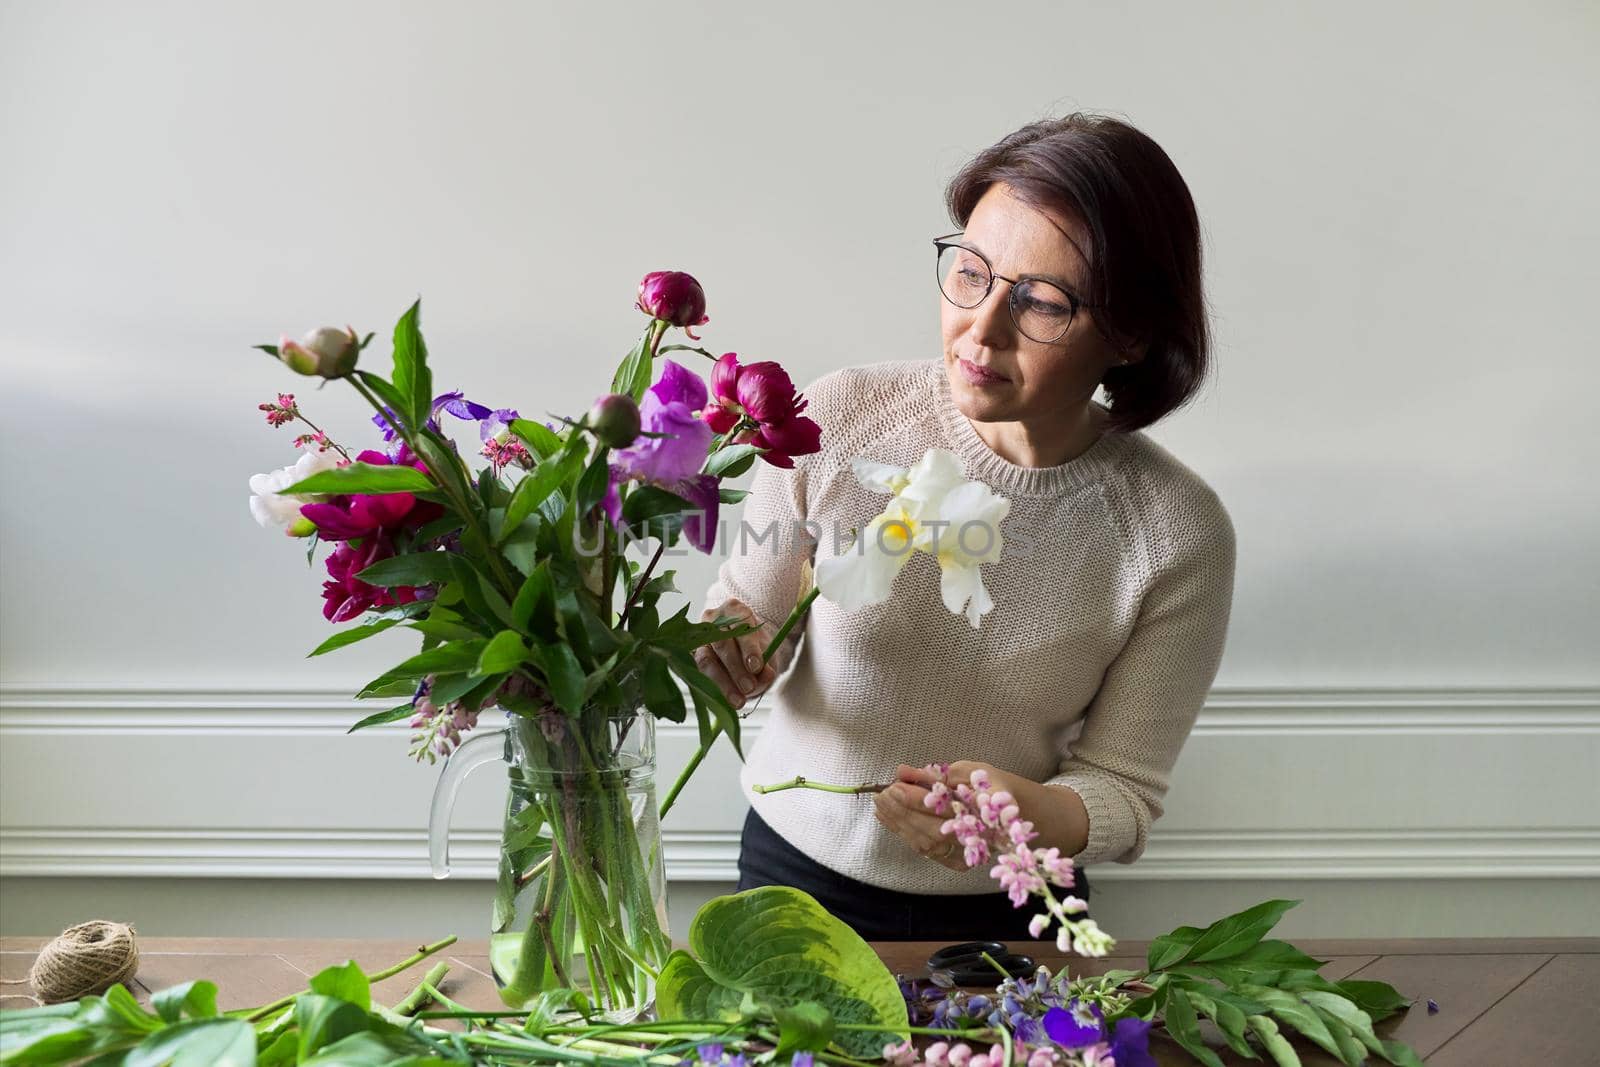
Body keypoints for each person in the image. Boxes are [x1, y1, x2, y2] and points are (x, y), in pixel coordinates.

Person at [694, 112, 1237, 942]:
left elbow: (1123, 793)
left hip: (1013, 912)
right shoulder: (839, 419)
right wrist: (726, 651)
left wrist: (1033, 815)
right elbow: (747, 614)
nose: (980, 329)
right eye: (971, 273)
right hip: (790, 876)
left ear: (1128, 332)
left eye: (1042, 303)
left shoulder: (1175, 533)